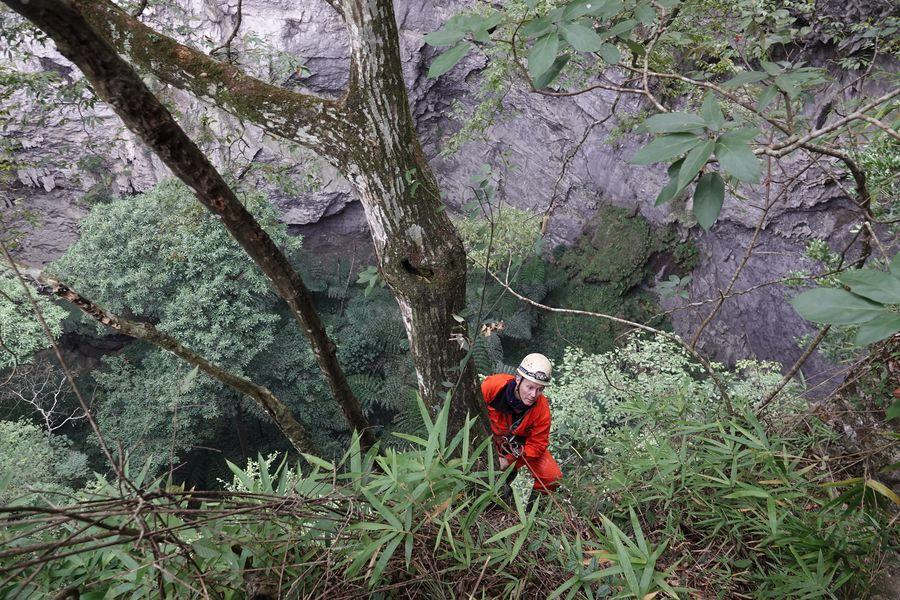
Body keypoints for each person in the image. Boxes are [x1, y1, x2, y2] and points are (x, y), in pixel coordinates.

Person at [481, 353, 562, 509]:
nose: (533, 395)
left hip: (518, 448)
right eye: (530, 387)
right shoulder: (493, 387)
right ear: (518, 379)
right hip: (491, 439)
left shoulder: (541, 408)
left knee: (552, 476)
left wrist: (509, 460)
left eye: (540, 390)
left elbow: (538, 445)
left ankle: (532, 512)